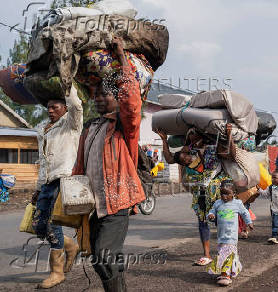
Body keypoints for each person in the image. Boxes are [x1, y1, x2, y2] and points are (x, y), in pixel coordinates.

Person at [72, 37, 146, 291]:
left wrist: (121, 56)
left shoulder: (124, 127)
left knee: (105, 254)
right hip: (94, 205)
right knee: (99, 258)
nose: (100, 99)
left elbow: (132, 102)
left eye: (106, 94)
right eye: (97, 95)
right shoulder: (90, 128)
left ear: (116, 98)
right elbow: (79, 168)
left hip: (118, 202)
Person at [156, 125, 240, 266]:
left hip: (218, 192)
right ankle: (206, 255)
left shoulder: (213, 147)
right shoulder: (187, 151)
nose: (192, 137)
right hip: (200, 192)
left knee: (223, 222)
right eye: (190, 134)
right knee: (202, 221)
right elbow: (170, 158)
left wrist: (229, 135)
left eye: (194, 133)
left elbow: (230, 155)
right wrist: (164, 140)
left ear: (202, 135)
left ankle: (227, 251)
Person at [30, 84, 82, 289]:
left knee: (52, 226)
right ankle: (71, 246)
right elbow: (42, 161)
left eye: (55, 107)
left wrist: (67, 85)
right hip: (47, 183)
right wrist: (38, 187)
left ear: (65, 109)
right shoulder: (44, 130)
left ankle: (57, 272)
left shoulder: (71, 124)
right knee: (39, 226)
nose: (50, 110)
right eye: (48, 108)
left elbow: (77, 106)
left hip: (64, 180)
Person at [207, 180, 253, 286]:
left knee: (226, 253)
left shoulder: (237, 203)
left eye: (227, 193)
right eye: (222, 193)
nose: (224, 196)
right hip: (221, 234)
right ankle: (234, 268)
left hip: (231, 235)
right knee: (227, 252)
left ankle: (225, 275)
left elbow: (245, 213)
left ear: (234, 194)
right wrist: (210, 216)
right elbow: (212, 211)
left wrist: (249, 222)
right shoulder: (217, 203)